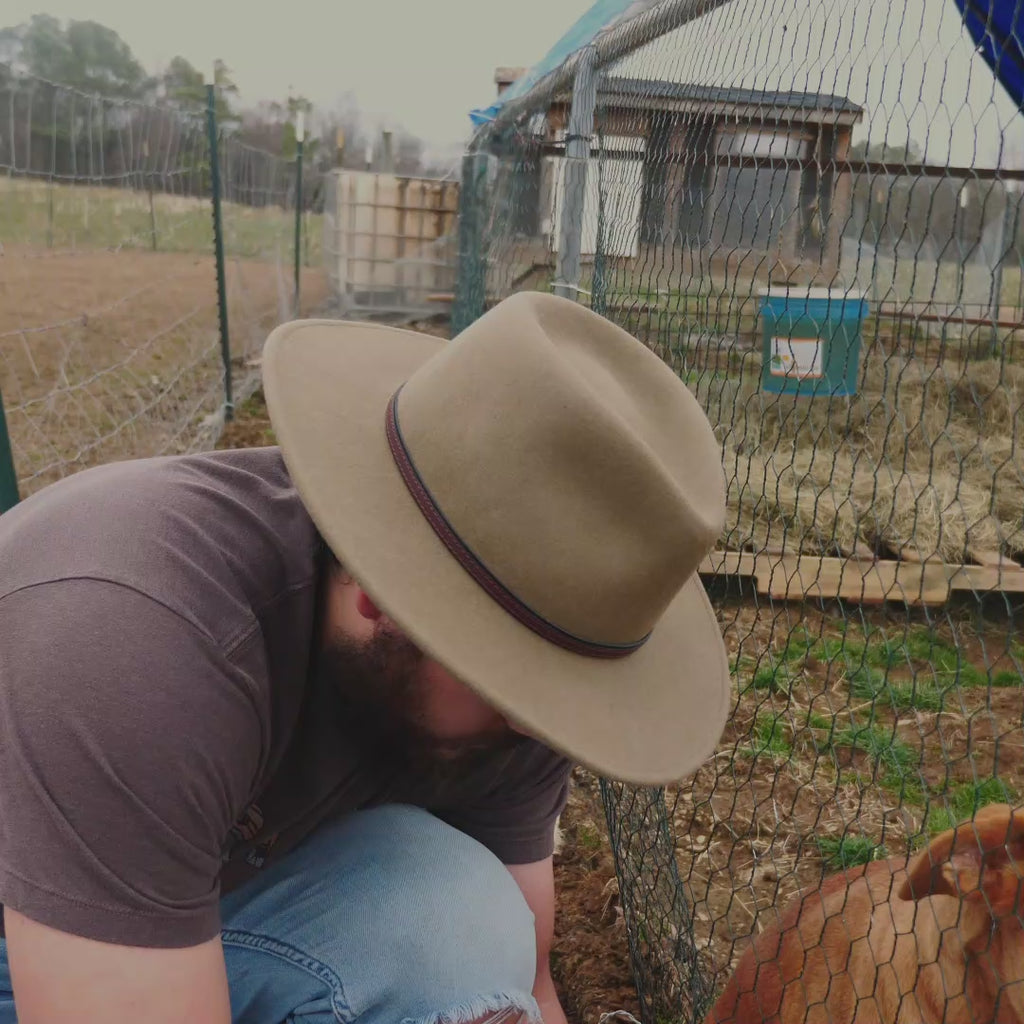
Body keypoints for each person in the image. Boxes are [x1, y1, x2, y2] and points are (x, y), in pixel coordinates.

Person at [0, 290, 731, 1024]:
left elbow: (528, 982)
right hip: (29, 923)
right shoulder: (133, 650)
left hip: (192, 887)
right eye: (516, 683)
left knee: (465, 932)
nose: (538, 728)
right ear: (382, 594)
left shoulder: (516, 667)